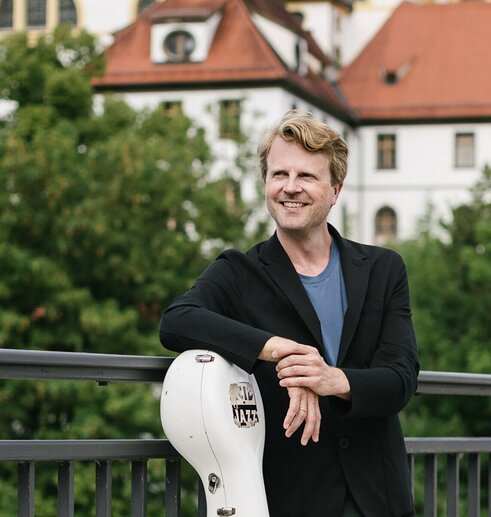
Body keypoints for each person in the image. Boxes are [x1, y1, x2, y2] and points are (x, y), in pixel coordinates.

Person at [159, 110, 420, 517]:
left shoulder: (383, 270)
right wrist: (274, 348)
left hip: (379, 498)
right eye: (279, 174)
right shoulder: (238, 272)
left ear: (335, 190)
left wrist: (333, 380)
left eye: (307, 177)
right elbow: (177, 320)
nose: (290, 188)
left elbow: (400, 379)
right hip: (291, 498)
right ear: (266, 183)